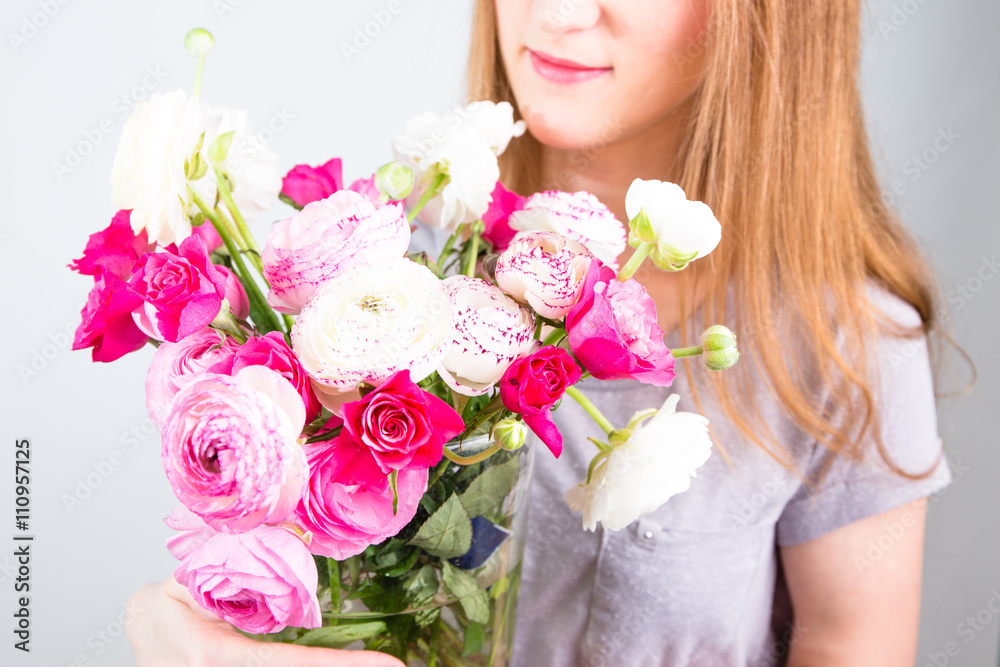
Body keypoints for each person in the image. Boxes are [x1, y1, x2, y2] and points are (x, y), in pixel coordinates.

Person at [127, 1, 959, 665]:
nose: (557, 12)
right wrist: (188, 639)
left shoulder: (843, 342)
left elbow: (853, 644)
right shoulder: (378, 280)